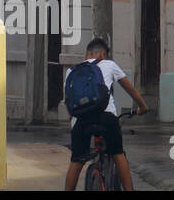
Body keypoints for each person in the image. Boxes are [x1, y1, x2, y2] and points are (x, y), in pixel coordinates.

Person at [64, 37, 149, 191]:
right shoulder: (109, 65)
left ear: (86, 55)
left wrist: (74, 122)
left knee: (76, 161)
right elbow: (131, 90)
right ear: (102, 54)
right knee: (117, 153)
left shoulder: (72, 71)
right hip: (106, 117)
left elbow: (68, 101)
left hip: (81, 120)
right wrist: (143, 107)